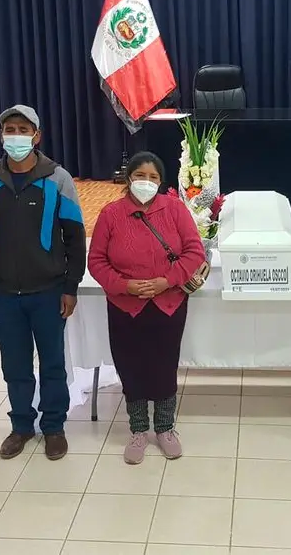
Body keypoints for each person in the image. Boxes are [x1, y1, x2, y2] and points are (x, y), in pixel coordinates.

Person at [0, 105, 86, 461]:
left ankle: (54, 427)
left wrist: (70, 287)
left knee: (52, 364)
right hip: (4, 293)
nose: (15, 136)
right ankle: (21, 425)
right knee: (15, 365)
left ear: (37, 136)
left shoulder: (59, 179)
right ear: (1, 135)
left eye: (23, 129)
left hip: (49, 291)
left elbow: (75, 237)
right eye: (9, 129)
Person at [88, 152, 205, 464]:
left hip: (167, 303)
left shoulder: (176, 210)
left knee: (164, 366)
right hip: (125, 306)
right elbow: (97, 261)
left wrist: (166, 281)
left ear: (161, 181)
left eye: (153, 177)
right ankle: (138, 430)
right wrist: (125, 286)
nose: (147, 182)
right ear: (129, 178)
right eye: (140, 175)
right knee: (131, 367)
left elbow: (195, 252)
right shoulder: (111, 214)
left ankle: (165, 428)